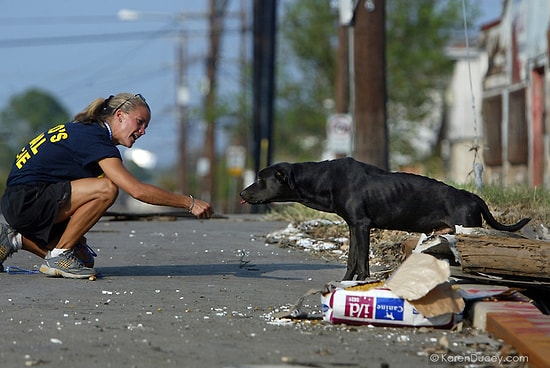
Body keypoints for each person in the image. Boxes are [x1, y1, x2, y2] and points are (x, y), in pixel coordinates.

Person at [0, 92, 213, 279]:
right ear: (119, 115)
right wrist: (189, 203)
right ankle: (58, 255)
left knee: (83, 261)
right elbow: (136, 190)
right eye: (139, 122)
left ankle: (13, 239)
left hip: (22, 202)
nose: (143, 131)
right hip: (27, 201)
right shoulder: (94, 137)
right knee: (107, 189)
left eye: (146, 126)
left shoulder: (87, 131)